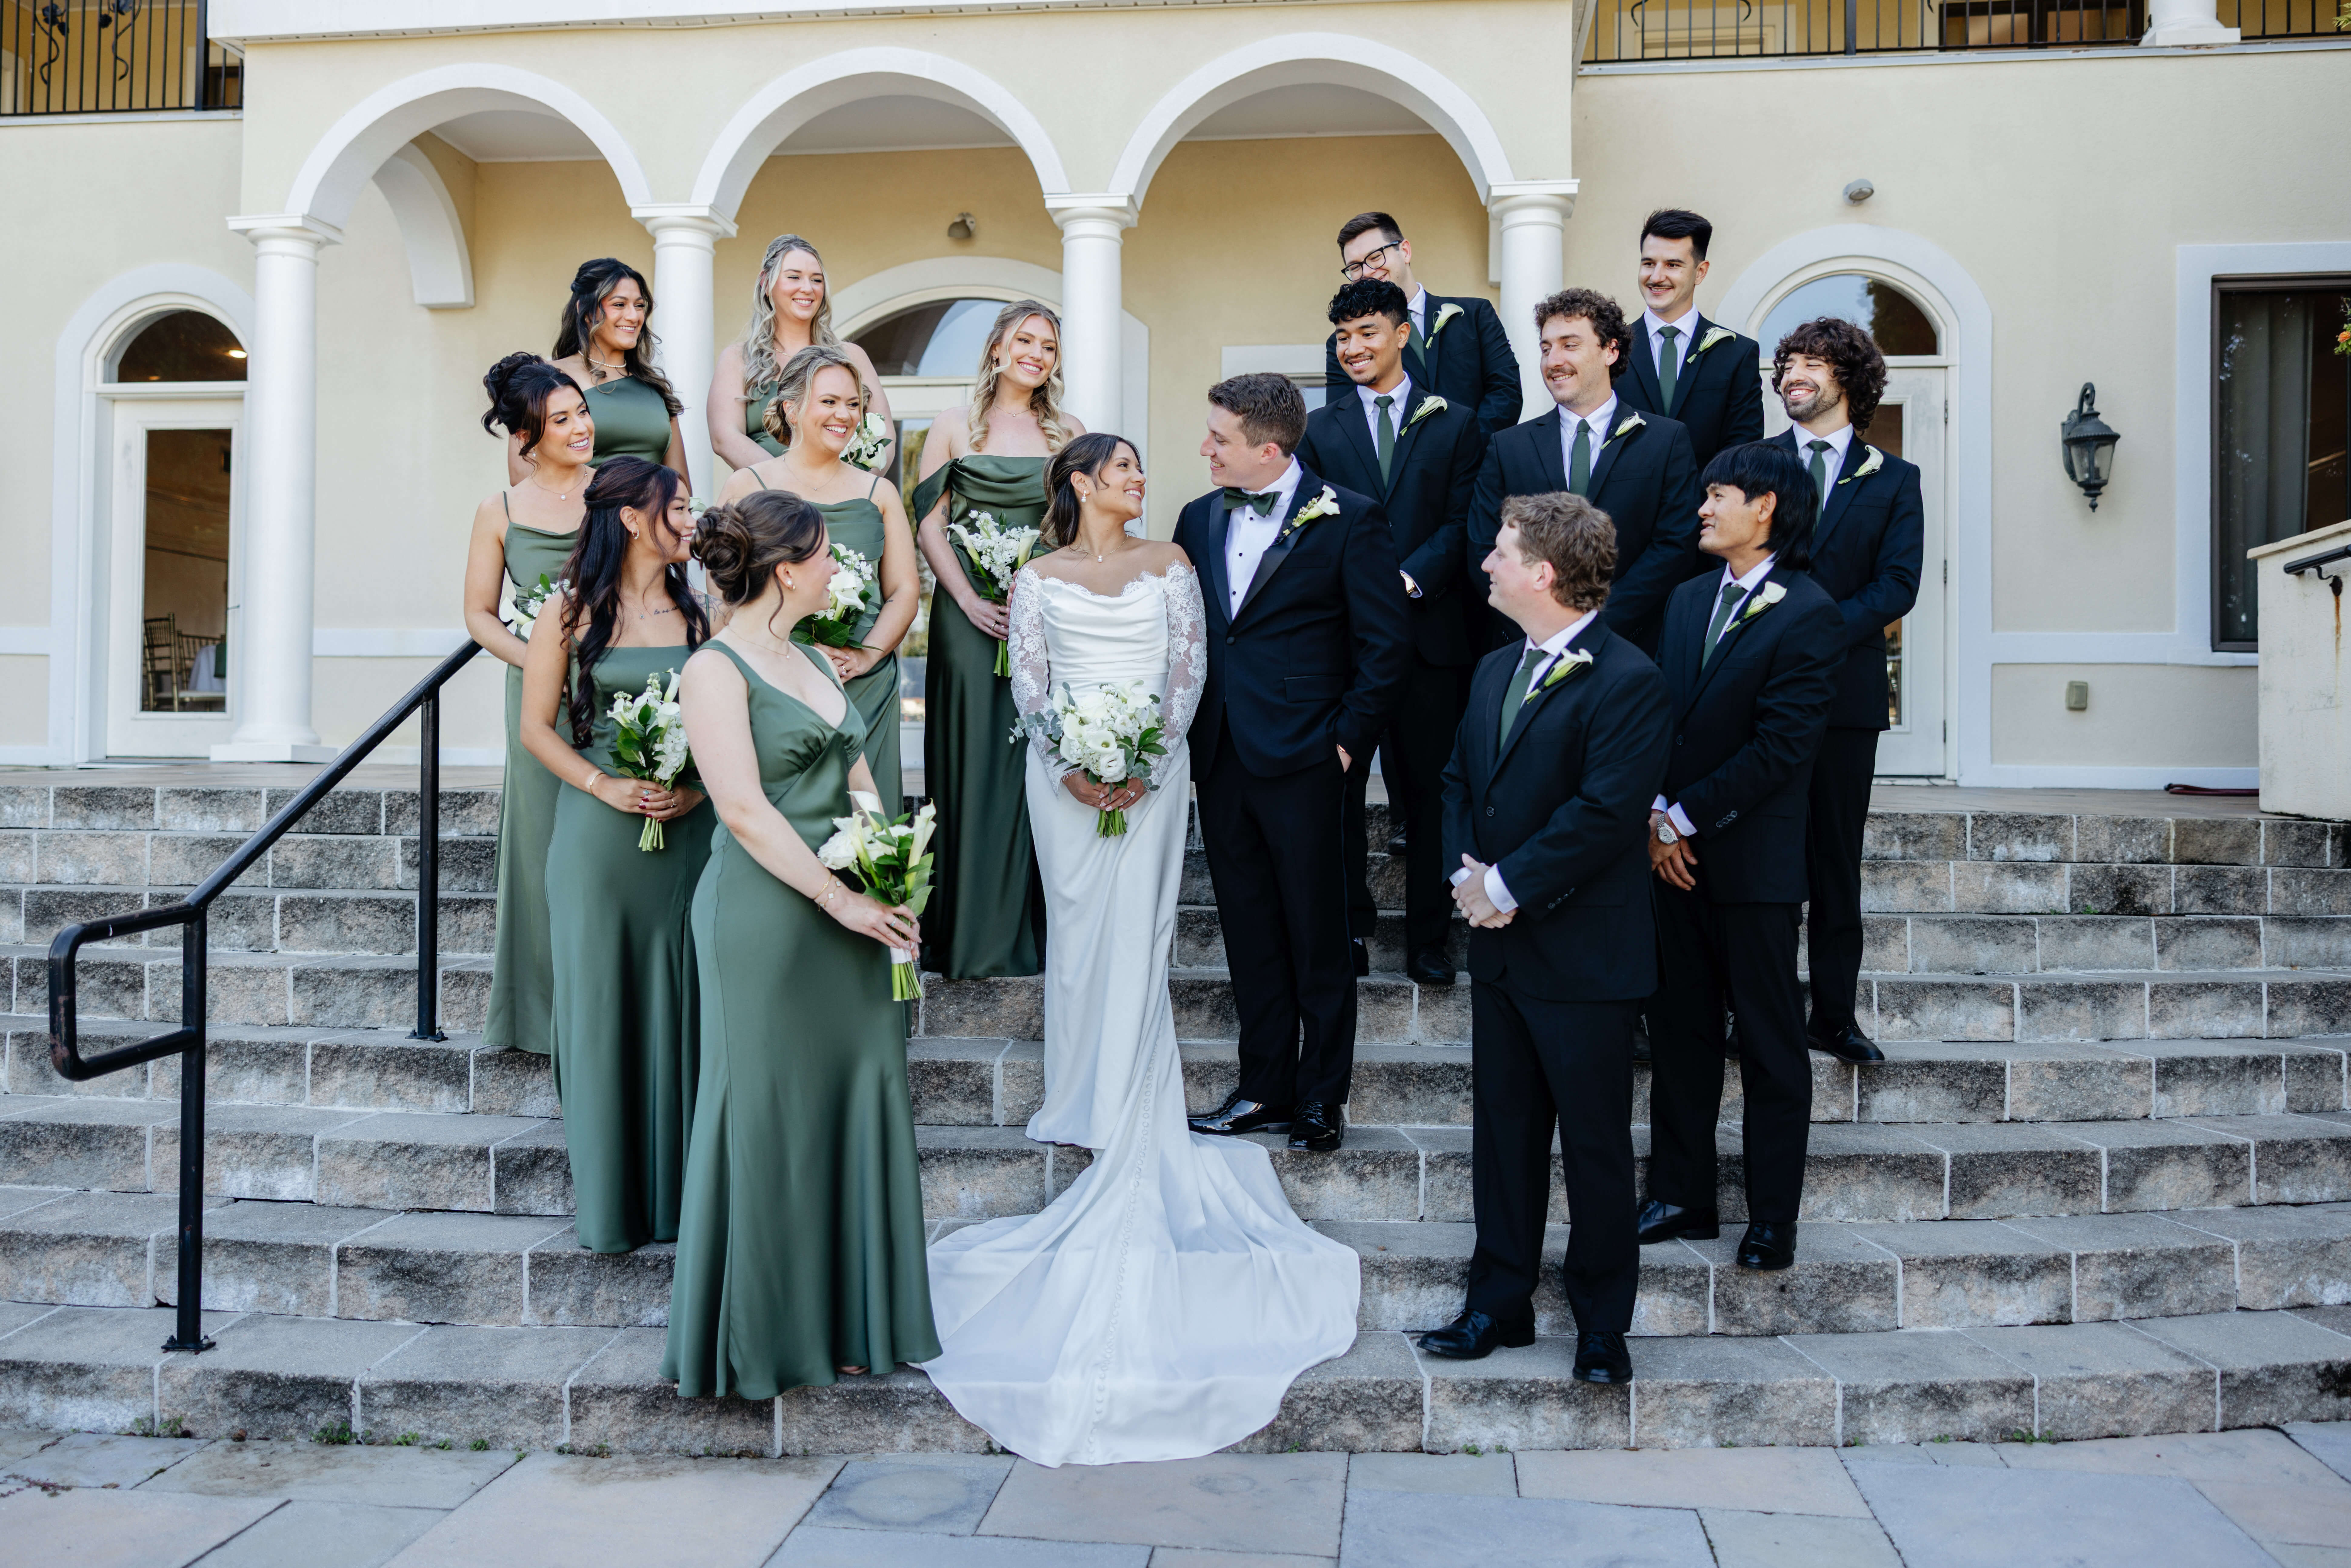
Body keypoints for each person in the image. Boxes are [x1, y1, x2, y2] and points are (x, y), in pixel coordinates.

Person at [922, 433, 1359, 1466]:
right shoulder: (1035, 576)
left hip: (1153, 777)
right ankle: (1079, 1084)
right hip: (1061, 777)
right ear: (1078, 483)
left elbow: (1187, 673)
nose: (1138, 480)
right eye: (1121, 469)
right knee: (1077, 932)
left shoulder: (1172, 561)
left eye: (1136, 469)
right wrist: (1075, 761)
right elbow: (1026, 682)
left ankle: (1127, 1088)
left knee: (1141, 930)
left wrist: (1141, 759)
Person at [665, 488, 939, 1395]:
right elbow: (742, 810)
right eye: (825, 554)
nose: (838, 567)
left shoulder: (816, 657)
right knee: (770, 1114)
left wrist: (892, 876)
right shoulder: (715, 669)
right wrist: (838, 900)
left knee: (852, 1102)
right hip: (772, 915)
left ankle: (853, 1316)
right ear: (787, 570)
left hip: (851, 905)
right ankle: (768, 1336)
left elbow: (858, 773)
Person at [1416, 493, 1670, 1380]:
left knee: (1595, 1145)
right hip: (1502, 949)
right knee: (1505, 1135)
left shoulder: (1629, 678)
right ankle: (1499, 1303)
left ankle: (1602, 1322)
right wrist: (1467, 882)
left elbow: (1604, 814)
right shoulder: (1493, 671)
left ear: (1545, 572)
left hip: (1587, 956)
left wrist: (1508, 885)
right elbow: (1454, 782)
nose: (1486, 563)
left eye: (1500, 551)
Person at [1175, 375, 1412, 1154]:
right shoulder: (1196, 516)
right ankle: (1262, 1089)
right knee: (1249, 932)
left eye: (1219, 438)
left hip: (1309, 756)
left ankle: (1320, 1099)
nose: (1205, 448)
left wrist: (1345, 742)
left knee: (1317, 935)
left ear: (1268, 449)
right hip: (1222, 754)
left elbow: (1385, 647)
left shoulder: (1351, 518)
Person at [1637, 441, 1843, 1273]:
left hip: (1751, 867)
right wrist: (1655, 816)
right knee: (1679, 1033)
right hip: (1671, 860)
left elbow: (1781, 746)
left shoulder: (1810, 611)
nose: (1700, 508)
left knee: (1767, 1044)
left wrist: (1684, 815)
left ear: (1763, 506)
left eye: (1714, 494)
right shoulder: (1686, 599)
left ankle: (1770, 1218)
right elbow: (1657, 714)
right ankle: (1681, 1195)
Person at [518, 456, 714, 1254]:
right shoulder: (567, 611)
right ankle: (612, 1206)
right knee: (604, 1007)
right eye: (681, 507)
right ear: (633, 517)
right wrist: (603, 786)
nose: (693, 521)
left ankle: (681, 1200)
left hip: (687, 836)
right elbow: (537, 729)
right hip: (599, 838)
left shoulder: (701, 615)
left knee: (684, 1003)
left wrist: (695, 791)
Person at [1296, 279, 1485, 987]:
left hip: (1432, 636)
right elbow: (1311, 528)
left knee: (1434, 792)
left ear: (1402, 334)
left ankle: (1430, 939)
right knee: (1337, 789)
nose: (1354, 347)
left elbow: (1464, 521)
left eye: (1367, 333)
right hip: (1344, 645)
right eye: (1343, 337)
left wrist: (1407, 580)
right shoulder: (1318, 430)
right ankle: (1350, 926)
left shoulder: (1457, 424)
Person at [1766, 318, 1924, 1068]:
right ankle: (1756, 1014)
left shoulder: (1895, 480)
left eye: (1814, 362)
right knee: (1760, 866)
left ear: (1850, 379)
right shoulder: (1752, 464)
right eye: (1789, 361)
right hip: (1754, 692)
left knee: (1833, 861)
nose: (1796, 371)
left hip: (1844, 700)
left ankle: (1833, 1016)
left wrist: (1815, 628)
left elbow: (1897, 585)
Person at [908, 301, 1083, 979]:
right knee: (971, 761)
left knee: (1030, 766)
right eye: (1026, 340)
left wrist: (1038, 590)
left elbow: (1076, 524)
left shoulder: (1069, 431)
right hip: (967, 619)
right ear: (997, 347)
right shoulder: (953, 426)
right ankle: (966, 930)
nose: (1037, 353)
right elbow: (929, 523)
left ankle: (1027, 932)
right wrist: (968, 599)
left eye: (1049, 345)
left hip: (1040, 617)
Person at [717, 345, 920, 808]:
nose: (844, 416)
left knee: (869, 824)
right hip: (774, 678)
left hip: (862, 683)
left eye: (853, 404)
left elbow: (905, 589)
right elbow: (723, 589)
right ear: (791, 408)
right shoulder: (748, 485)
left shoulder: (878, 491)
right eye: (829, 402)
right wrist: (773, 652)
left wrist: (866, 655)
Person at [467, 354, 591, 1057]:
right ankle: (540, 1016)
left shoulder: (617, 493)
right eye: (562, 420)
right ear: (526, 437)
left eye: (582, 413)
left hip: (618, 686)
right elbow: (480, 615)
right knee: (542, 847)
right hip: (539, 696)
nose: (581, 428)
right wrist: (542, 663)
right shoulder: (501, 511)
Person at [1468, 289, 1701, 656]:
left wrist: (1596, 625)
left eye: (1569, 345)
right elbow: (1483, 544)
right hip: (1528, 645)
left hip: (1632, 645)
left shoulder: (1666, 441)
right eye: (1546, 348)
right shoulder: (1507, 447)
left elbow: (1675, 546)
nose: (1553, 360)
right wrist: (1538, 622)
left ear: (1611, 351)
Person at [709, 233, 895, 475]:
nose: (807, 289)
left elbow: (885, 437)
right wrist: (791, 486)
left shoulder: (852, 356)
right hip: (767, 501)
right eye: (794, 277)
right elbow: (725, 438)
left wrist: (851, 489)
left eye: (816, 280)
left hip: (844, 499)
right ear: (766, 283)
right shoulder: (738, 359)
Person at [1321, 211, 1522, 434]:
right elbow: (1345, 416)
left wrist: (1466, 449)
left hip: (1478, 461)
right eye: (1355, 267)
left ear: (1405, 251)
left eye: (1376, 257)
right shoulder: (1345, 344)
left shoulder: (1475, 315)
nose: (1367, 272)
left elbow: (1506, 391)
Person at [510, 259, 690, 487]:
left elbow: (680, 483)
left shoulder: (655, 388)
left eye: (639, 305)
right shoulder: (548, 376)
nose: (634, 317)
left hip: (653, 517)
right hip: (584, 517)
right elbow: (522, 473)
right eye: (619, 305)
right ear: (585, 311)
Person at [1614, 210, 1764, 469]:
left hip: (1704, 505)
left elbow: (1742, 449)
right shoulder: (1610, 348)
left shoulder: (1738, 353)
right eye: (1649, 263)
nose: (1656, 277)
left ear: (1700, 272)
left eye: (1673, 265)